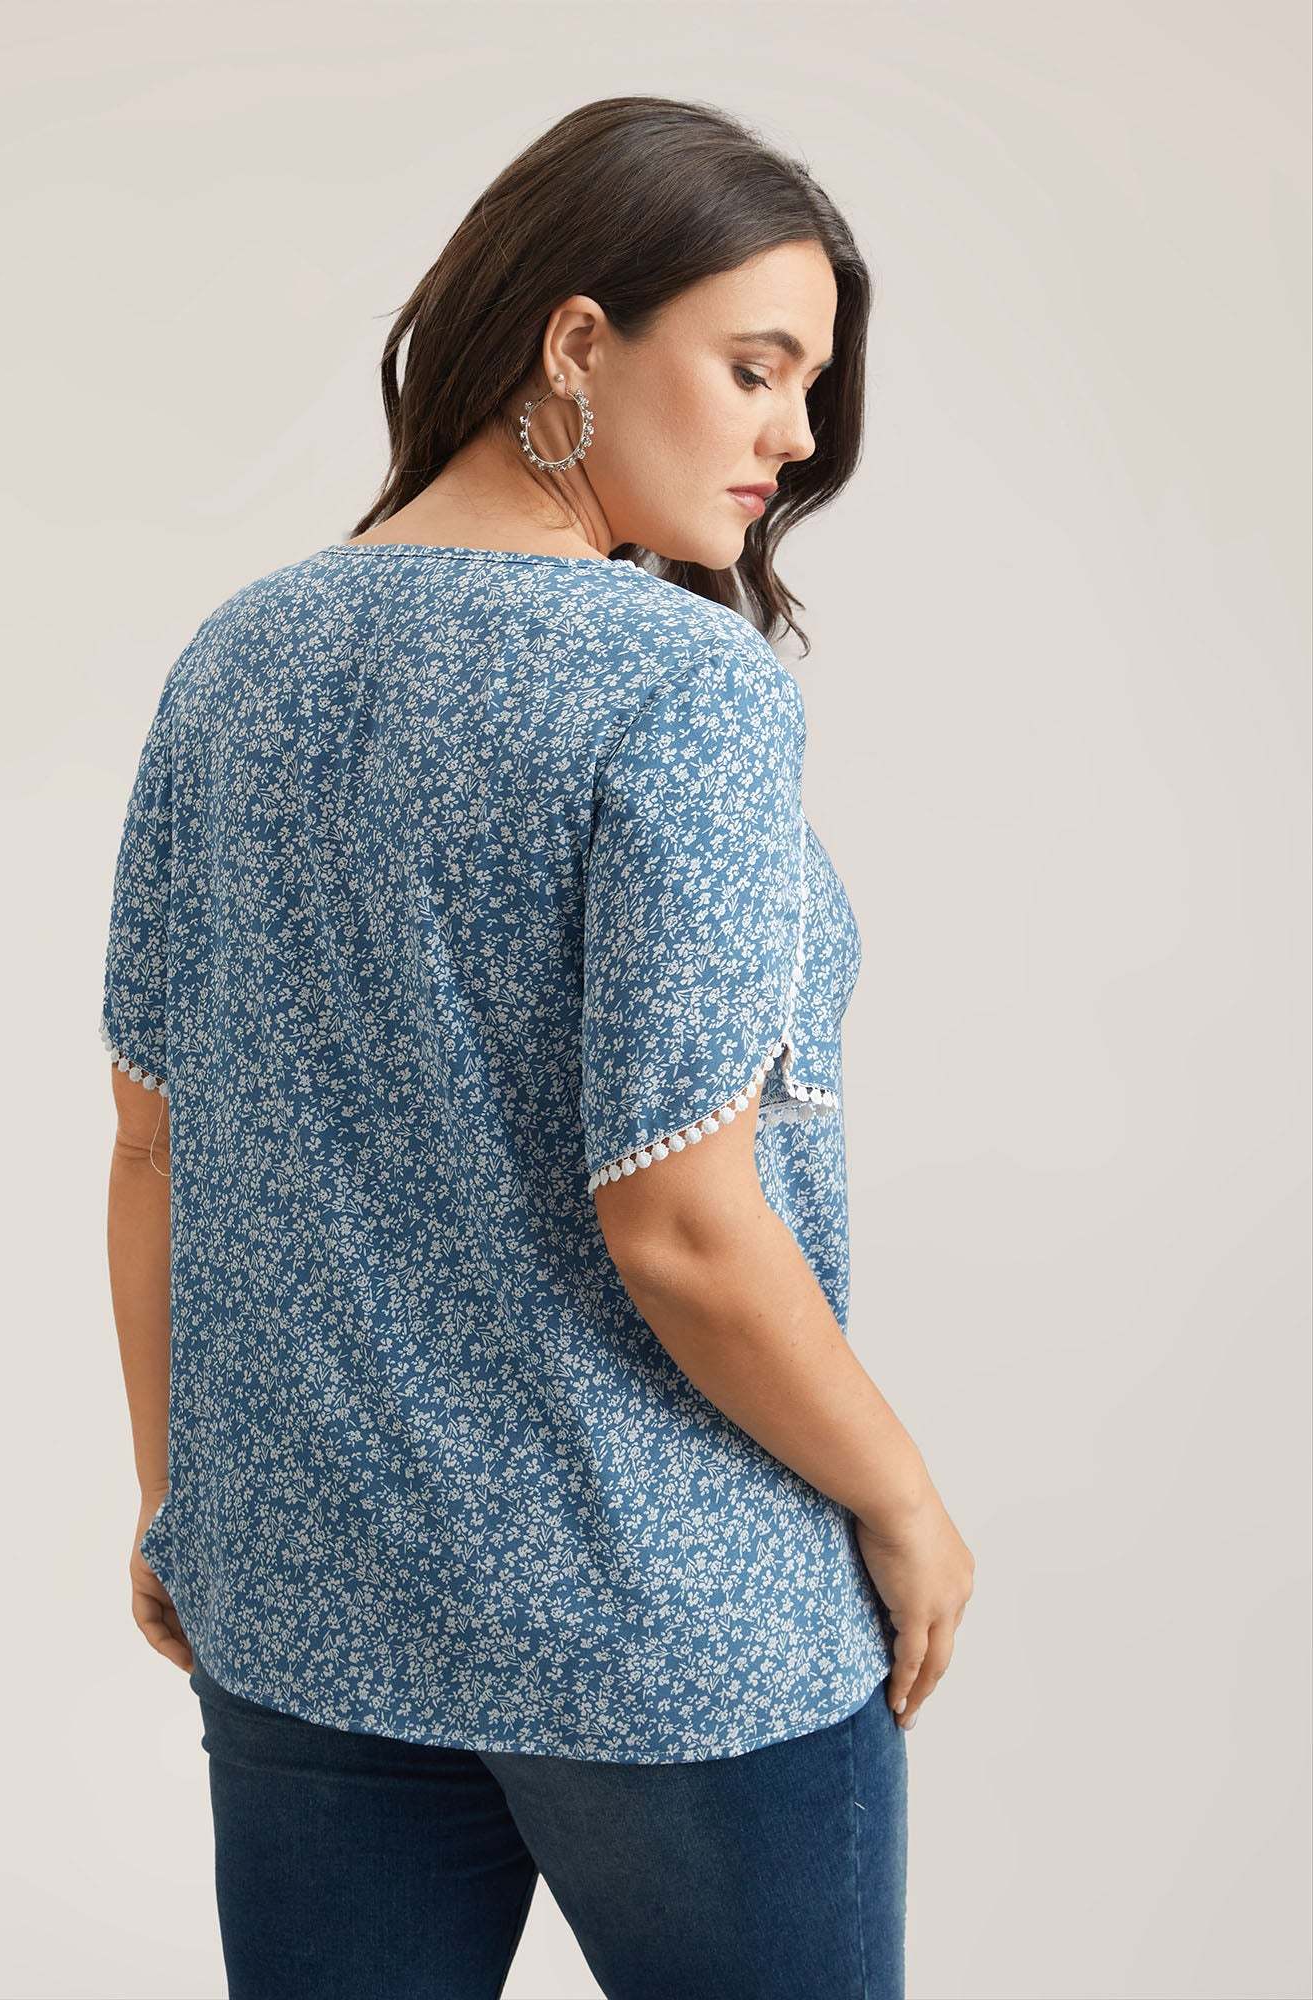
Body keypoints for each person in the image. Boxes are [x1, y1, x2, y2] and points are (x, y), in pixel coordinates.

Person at [101, 93, 974, 2000]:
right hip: (667, 1618)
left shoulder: (239, 659)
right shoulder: (682, 686)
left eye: (811, 384)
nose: (797, 434)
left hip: (309, 1597)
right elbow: (682, 1223)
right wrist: (901, 1498)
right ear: (577, 342)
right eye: (756, 367)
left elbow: (156, 1142)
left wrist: (183, 1495)